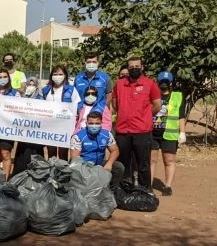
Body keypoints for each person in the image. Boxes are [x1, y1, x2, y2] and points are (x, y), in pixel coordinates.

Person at [112, 56, 162, 190]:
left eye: (137, 67)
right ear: (128, 69)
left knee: (143, 164)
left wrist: (144, 116)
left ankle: (145, 189)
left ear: (142, 67)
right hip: (123, 131)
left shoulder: (150, 84)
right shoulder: (119, 84)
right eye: (131, 67)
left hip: (142, 131)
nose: (134, 69)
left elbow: (157, 105)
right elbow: (115, 104)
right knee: (123, 163)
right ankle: (124, 190)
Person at [150, 71, 186, 196]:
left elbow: (181, 115)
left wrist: (182, 132)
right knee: (151, 160)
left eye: (166, 82)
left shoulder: (177, 96)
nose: (164, 84)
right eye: (162, 82)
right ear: (158, 82)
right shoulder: (152, 95)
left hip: (169, 134)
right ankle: (149, 186)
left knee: (169, 160)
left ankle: (168, 186)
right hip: (152, 132)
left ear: (171, 83)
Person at [70, 111, 124, 189]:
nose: (94, 126)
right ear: (86, 123)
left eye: (97, 123)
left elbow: (115, 150)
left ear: (101, 123)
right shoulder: (77, 137)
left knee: (119, 167)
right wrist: (87, 170)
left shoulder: (106, 135)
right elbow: (75, 160)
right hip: (83, 165)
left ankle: (112, 191)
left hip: (99, 163)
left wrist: (109, 163)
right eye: (91, 123)